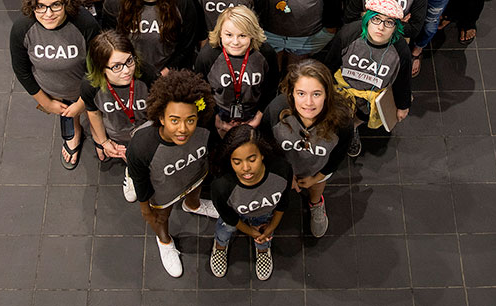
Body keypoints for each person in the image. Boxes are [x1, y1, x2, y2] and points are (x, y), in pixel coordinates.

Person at [126, 69, 218, 277]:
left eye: (190, 120)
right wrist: (145, 209)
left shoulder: (206, 126)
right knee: (161, 218)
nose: (183, 129)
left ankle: (193, 205)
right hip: (163, 192)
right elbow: (141, 180)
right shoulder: (141, 145)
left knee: (194, 192)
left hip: (194, 176)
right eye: (174, 120)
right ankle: (164, 241)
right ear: (161, 116)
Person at [9, 0, 99, 168]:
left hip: (88, 91)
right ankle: (73, 132)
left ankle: (97, 131)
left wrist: (84, 102)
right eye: (40, 6)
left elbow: (98, 68)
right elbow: (21, 70)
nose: (48, 14)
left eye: (55, 5)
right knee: (68, 114)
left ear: (66, 3)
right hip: (53, 93)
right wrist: (47, 103)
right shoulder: (22, 28)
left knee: (96, 119)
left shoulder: (85, 24)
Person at [259, 60, 354, 238]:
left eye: (316, 94)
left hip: (316, 168)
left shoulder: (341, 121)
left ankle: (316, 203)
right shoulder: (275, 111)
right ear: (291, 92)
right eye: (301, 93)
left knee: (317, 187)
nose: (308, 102)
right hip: (284, 166)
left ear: (327, 94)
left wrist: (317, 177)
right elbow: (266, 145)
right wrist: (284, 173)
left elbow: (339, 154)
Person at [319, 0, 412, 158]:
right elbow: (330, 63)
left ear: (395, 27)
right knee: (337, 115)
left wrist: (403, 105)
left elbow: (402, 80)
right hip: (343, 88)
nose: (381, 27)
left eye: (389, 22)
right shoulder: (349, 34)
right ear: (367, 19)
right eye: (376, 19)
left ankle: (354, 128)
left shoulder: (401, 50)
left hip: (371, 95)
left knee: (362, 115)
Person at [208, 125, 290, 280]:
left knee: (263, 233)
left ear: (262, 155)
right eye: (237, 162)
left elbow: (283, 202)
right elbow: (229, 217)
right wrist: (253, 232)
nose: (246, 168)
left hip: (264, 214)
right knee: (225, 229)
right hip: (235, 215)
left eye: (252, 159)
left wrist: (270, 228)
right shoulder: (222, 186)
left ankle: (263, 247)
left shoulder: (281, 170)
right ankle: (220, 245)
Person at [81, 30, 150, 201]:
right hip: (117, 133)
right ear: (101, 67)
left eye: (129, 61)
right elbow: (94, 113)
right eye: (116, 66)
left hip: (146, 131)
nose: (127, 70)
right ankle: (132, 172)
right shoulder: (90, 86)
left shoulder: (146, 73)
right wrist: (103, 141)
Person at [195, 5, 279, 137]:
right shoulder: (208, 56)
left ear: (252, 34)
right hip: (218, 112)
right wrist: (215, 119)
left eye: (242, 35)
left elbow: (272, 88)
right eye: (229, 35)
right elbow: (199, 91)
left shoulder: (265, 53)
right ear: (220, 33)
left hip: (254, 112)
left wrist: (259, 116)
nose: (235, 42)